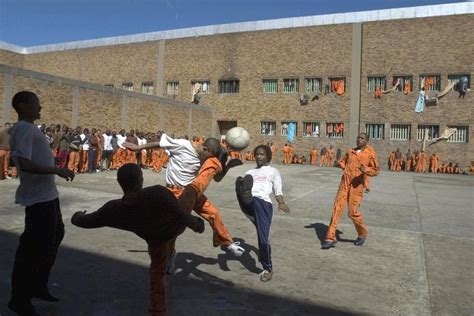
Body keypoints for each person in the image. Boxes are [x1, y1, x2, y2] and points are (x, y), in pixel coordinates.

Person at [71, 163, 205, 316]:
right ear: (141, 180)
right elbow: (181, 214)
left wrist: (77, 216)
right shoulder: (157, 193)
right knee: (191, 189)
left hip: (155, 240)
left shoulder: (114, 210)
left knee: (157, 276)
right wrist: (195, 224)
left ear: (119, 182)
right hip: (174, 228)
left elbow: (87, 222)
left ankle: (157, 311)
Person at [123, 133, 245, 263]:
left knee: (214, 213)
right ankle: (171, 255)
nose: (206, 160)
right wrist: (138, 148)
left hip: (192, 191)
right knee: (174, 227)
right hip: (173, 192)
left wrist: (228, 166)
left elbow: (217, 178)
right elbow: (159, 143)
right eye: (207, 156)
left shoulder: (208, 158)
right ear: (204, 149)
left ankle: (226, 242)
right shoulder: (182, 145)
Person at [7, 91, 75, 316]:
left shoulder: (29, 129)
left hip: (48, 194)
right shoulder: (24, 128)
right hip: (38, 198)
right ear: (23, 106)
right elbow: (24, 163)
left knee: (56, 234)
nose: (40, 108)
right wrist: (57, 169)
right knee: (33, 249)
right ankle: (20, 299)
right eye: (36, 103)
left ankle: (38, 285)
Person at [235, 145, 290, 282]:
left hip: (263, 205)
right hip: (250, 203)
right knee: (240, 184)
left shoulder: (273, 171)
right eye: (257, 154)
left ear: (268, 157)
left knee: (263, 240)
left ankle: (268, 268)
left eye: (262, 154)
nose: (259, 156)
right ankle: (245, 195)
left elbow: (278, 190)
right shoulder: (250, 172)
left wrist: (281, 202)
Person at [322, 133, 379, 249]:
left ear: (367, 140)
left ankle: (362, 233)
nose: (359, 139)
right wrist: (339, 164)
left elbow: (376, 170)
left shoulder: (370, 153)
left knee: (352, 212)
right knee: (337, 208)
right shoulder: (351, 152)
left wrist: (366, 169)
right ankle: (330, 237)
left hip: (356, 185)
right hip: (344, 184)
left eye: (362, 138)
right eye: (358, 137)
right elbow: (344, 163)